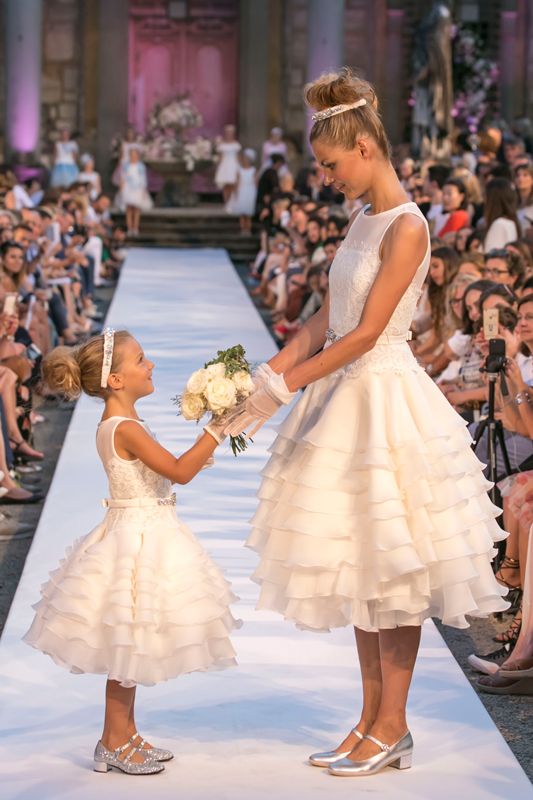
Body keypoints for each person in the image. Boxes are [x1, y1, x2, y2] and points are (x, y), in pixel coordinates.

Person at [225, 67, 508, 777]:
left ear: (363, 147)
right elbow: (325, 317)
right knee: (360, 565)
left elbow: (366, 332)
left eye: (329, 165)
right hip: (343, 394)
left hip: (383, 395)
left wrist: (283, 389)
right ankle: (368, 720)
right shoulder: (362, 219)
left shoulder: (408, 225)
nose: (325, 178)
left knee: (393, 571)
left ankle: (394, 724)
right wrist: (260, 379)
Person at [23, 328, 238, 775]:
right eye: (140, 359)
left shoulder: (122, 423)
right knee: (126, 643)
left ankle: (126, 733)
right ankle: (113, 740)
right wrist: (217, 429)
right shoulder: (124, 428)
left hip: (139, 528)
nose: (150, 364)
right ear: (116, 380)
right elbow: (179, 471)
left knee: (132, 641)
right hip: (138, 537)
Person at [120, 147, 152, 237]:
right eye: (131, 155)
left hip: (138, 188)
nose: (133, 156)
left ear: (137, 156)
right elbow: (123, 177)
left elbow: (143, 178)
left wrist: (144, 189)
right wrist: (122, 188)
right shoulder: (126, 165)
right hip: (128, 188)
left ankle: (135, 227)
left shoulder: (141, 166)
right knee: (129, 208)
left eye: (135, 155)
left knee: (137, 209)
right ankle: (129, 228)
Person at [226, 148, 257, 234]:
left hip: (250, 191)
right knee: (242, 212)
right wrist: (235, 192)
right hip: (242, 191)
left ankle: (248, 229)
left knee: (248, 213)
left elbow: (255, 182)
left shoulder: (253, 170)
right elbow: (237, 182)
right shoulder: (239, 170)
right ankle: (243, 229)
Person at [214, 124, 242, 204]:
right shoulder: (221, 145)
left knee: (233, 185)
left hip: (233, 165)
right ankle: (226, 203)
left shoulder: (236, 144)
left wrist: (240, 168)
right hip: (224, 166)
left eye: (231, 133)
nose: (229, 134)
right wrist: (218, 166)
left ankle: (232, 203)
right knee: (225, 186)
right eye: (228, 133)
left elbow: (238, 157)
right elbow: (219, 157)